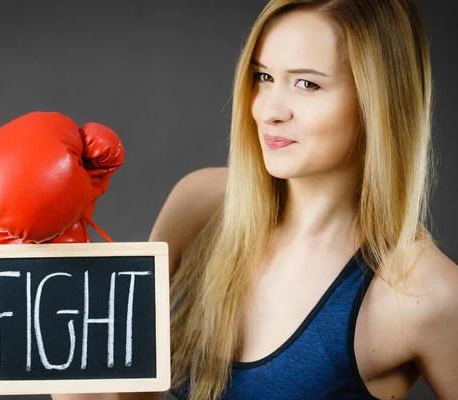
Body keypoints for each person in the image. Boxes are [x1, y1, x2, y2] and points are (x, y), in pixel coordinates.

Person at [52, 0, 458, 399]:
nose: (268, 111)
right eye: (263, 77)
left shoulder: (423, 290)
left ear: (379, 101)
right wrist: (51, 249)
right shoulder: (200, 202)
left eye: (307, 83)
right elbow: (130, 395)